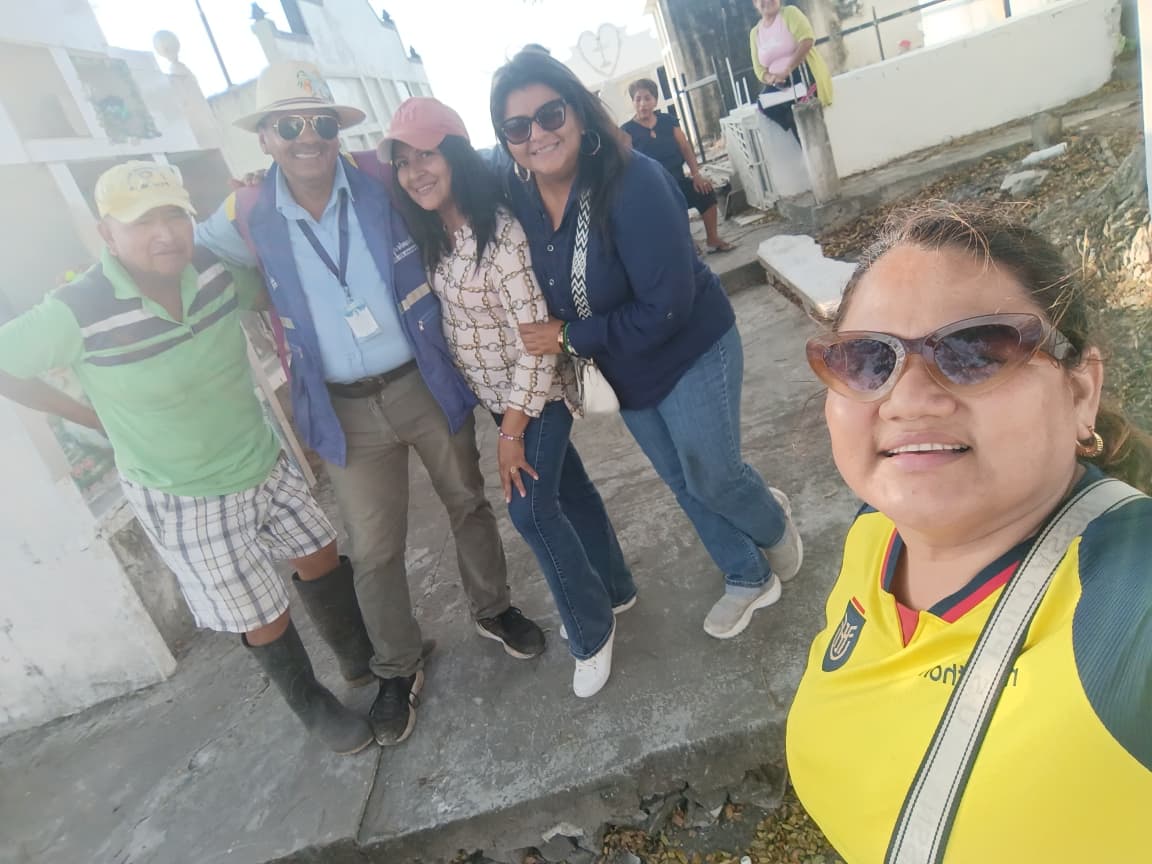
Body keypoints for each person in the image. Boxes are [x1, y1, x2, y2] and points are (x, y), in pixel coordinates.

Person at [195, 62, 545, 747]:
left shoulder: (381, 176)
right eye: (289, 125)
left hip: (421, 378)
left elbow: (459, 167)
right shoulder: (247, 211)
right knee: (375, 547)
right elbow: (183, 250)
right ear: (264, 137)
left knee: (468, 501)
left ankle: (493, 608)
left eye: (321, 123)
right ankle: (398, 665)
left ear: (337, 131)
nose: (308, 136)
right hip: (342, 409)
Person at [787, 203, 1152, 861]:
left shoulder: (1128, 609)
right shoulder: (875, 536)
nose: (907, 399)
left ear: (1081, 392)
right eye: (868, 360)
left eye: (976, 351)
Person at [0, 161, 375, 755]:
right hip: (183, 494)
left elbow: (273, 291)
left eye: (174, 216)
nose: (165, 234)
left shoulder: (213, 268)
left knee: (319, 553)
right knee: (260, 610)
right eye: (141, 222)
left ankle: (359, 661)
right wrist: (91, 417)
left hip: (259, 457)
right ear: (106, 233)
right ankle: (314, 707)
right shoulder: (76, 309)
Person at [490, 51, 803, 640]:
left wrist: (567, 337)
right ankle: (748, 574)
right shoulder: (520, 195)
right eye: (517, 126)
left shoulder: (633, 181)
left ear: (577, 111)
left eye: (550, 114)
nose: (537, 134)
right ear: (505, 139)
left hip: (690, 349)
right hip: (625, 370)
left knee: (714, 476)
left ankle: (772, 523)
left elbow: (667, 306)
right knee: (682, 480)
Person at [385, 97, 636, 697]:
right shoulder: (435, 233)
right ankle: (616, 588)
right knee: (569, 489)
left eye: (428, 155)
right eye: (403, 161)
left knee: (531, 511)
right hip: (499, 398)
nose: (417, 172)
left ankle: (591, 631)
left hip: (534, 396)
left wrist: (511, 432)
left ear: (455, 154)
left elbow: (537, 345)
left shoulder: (499, 235)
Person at [620, 79, 734, 254]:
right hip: (652, 188)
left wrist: (696, 175)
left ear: (655, 101)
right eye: (638, 99)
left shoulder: (668, 121)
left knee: (705, 192)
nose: (642, 104)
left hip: (678, 179)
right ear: (633, 102)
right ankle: (687, 243)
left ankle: (712, 239)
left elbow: (685, 147)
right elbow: (627, 164)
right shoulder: (627, 131)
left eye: (647, 98)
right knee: (669, 206)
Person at [749, 0, 833, 138]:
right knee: (764, 104)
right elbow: (759, 69)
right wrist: (771, 78)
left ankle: (806, 130)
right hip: (778, 84)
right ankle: (795, 123)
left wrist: (787, 71)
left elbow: (807, 40)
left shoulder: (790, 13)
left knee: (802, 107)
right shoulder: (755, 33)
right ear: (755, 3)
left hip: (802, 73)